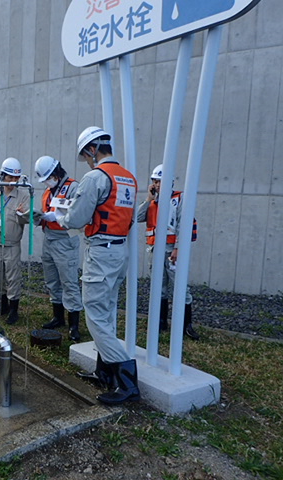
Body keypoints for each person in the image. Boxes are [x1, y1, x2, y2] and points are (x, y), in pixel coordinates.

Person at [55, 126, 140, 405]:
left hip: (101, 253)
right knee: (108, 310)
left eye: (86, 155)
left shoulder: (95, 177)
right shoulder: (128, 178)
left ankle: (127, 381)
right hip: (119, 251)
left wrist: (61, 215)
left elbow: (77, 219)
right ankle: (105, 372)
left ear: (92, 149)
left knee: (95, 315)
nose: (87, 161)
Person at [137, 164, 200, 340]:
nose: (156, 185)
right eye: (154, 182)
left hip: (172, 251)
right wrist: (148, 199)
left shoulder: (180, 199)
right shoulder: (152, 203)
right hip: (155, 250)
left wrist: (178, 248)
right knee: (159, 288)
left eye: (159, 181)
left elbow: (183, 224)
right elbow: (137, 217)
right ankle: (161, 322)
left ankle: (186, 325)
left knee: (180, 288)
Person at [33, 155, 83, 341]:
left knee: (69, 282)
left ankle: (74, 325)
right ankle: (58, 317)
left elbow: (77, 213)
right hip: (49, 239)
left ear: (56, 173)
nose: (47, 182)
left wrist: (56, 218)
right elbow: (46, 213)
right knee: (52, 280)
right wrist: (38, 217)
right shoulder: (48, 192)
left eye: (47, 177)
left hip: (65, 240)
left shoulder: (73, 188)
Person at [0, 157, 30, 325]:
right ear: (2, 176)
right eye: (10, 177)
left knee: (13, 277)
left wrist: (22, 214)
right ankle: (1, 305)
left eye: (16, 178)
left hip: (12, 243)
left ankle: (14, 309)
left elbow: (28, 219)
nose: (13, 181)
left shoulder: (23, 196)